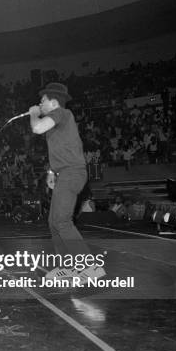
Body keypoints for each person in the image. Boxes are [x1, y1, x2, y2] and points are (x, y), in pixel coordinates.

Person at [28, 83, 105, 283]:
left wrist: (33, 113)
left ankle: (90, 268)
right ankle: (67, 268)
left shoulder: (62, 113)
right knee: (53, 222)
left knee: (62, 221)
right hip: (65, 173)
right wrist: (51, 171)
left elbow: (36, 127)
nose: (39, 104)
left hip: (72, 173)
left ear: (53, 102)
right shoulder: (57, 123)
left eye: (42, 101)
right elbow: (61, 149)